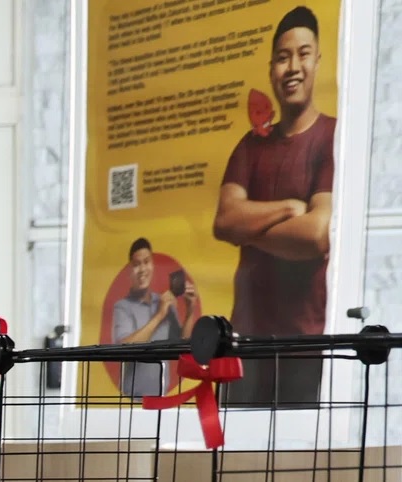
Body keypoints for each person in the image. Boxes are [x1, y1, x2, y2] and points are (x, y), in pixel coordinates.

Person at [212, 5, 336, 405]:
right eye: (283, 57)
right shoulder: (251, 146)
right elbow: (224, 221)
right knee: (233, 443)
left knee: (300, 446)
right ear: (271, 69)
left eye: (303, 54)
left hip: (307, 345)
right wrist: (288, 209)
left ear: (317, 61)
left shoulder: (332, 137)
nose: (293, 67)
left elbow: (316, 235)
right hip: (244, 345)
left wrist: (249, 228)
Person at [111, 238, 197, 398]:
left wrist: (190, 310)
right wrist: (159, 315)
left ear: (153, 265)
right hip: (132, 399)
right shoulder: (122, 307)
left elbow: (182, 346)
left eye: (146, 262)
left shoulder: (164, 302)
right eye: (136, 264)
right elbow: (124, 348)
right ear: (130, 271)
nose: (142, 269)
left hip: (161, 397)